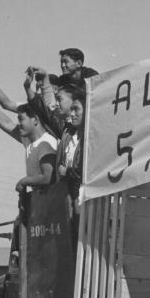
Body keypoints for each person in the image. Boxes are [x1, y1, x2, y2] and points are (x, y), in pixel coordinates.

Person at [0, 85, 57, 193]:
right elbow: (7, 124)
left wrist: (24, 181)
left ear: (35, 120)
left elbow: (48, 177)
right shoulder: (31, 141)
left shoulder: (46, 142)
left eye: (21, 119)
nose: (19, 124)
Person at [56, 86, 87, 248]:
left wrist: (66, 171)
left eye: (77, 110)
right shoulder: (68, 134)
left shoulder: (89, 138)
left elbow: (86, 170)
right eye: (72, 109)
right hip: (67, 198)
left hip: (82, 200)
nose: (72, 113)